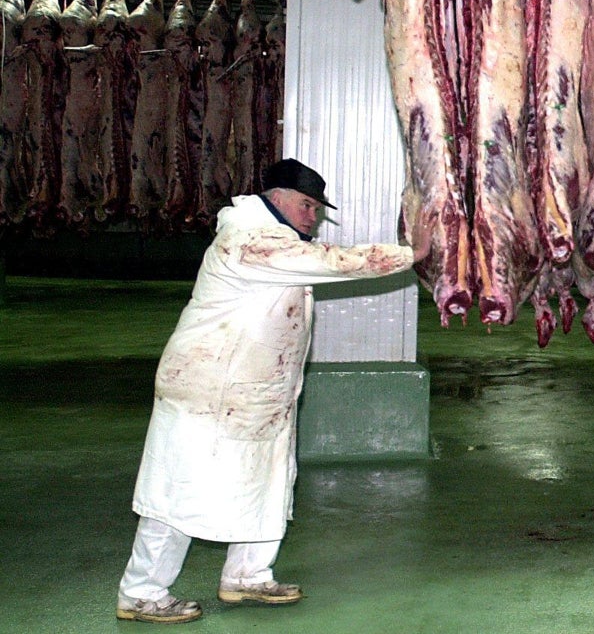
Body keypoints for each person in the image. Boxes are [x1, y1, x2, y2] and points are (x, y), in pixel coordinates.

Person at [116, 158, 416, 624]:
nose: (312, 216)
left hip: (259, 393)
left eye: (316, 208)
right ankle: (141, 591)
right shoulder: (248, 239)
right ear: (276, 199)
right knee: (178, 491)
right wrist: (411, 253)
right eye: (306, 205)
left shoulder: (278, 240)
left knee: (270, 481)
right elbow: (331, 263)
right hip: (209, 391)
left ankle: (248, 576)